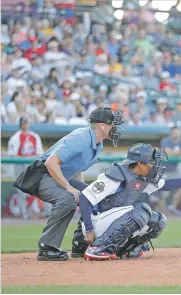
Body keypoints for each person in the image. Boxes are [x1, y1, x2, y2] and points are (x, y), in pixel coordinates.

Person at [80, 141, 181, 260]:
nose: (154, 166)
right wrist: (90, 230)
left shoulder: (141, 177)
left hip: (110, 222)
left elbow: (169, 185)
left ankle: (125, 249)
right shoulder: (116, 175)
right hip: (95, 222)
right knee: (141, 211)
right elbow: (84, 197)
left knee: (158, 221)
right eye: (151, 163)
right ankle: (98, 248)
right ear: (139, 164)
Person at [32, 108, 125, 261]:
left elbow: (77, 168)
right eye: (112, 124)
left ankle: (80, 244)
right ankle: (47, 247)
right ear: (102, 126)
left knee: (96, 196)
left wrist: (86, 193)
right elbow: (51, 163)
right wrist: (70, 189)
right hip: (42, 174)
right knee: (67, 200)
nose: (115, 128)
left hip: (60, 175)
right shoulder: (81, 137)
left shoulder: (98, 143)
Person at [7, 117, 45, 219]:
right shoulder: (15, 137)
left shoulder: (34, 136)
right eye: (24, 123)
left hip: (32, 165)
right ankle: (24, 212)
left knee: (34, 189)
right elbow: (11, 155)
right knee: (21, 191)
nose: (26, 124)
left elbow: (40, 153)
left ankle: (35, 211)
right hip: (20, 165)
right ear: (20, 124)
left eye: (27, 122)